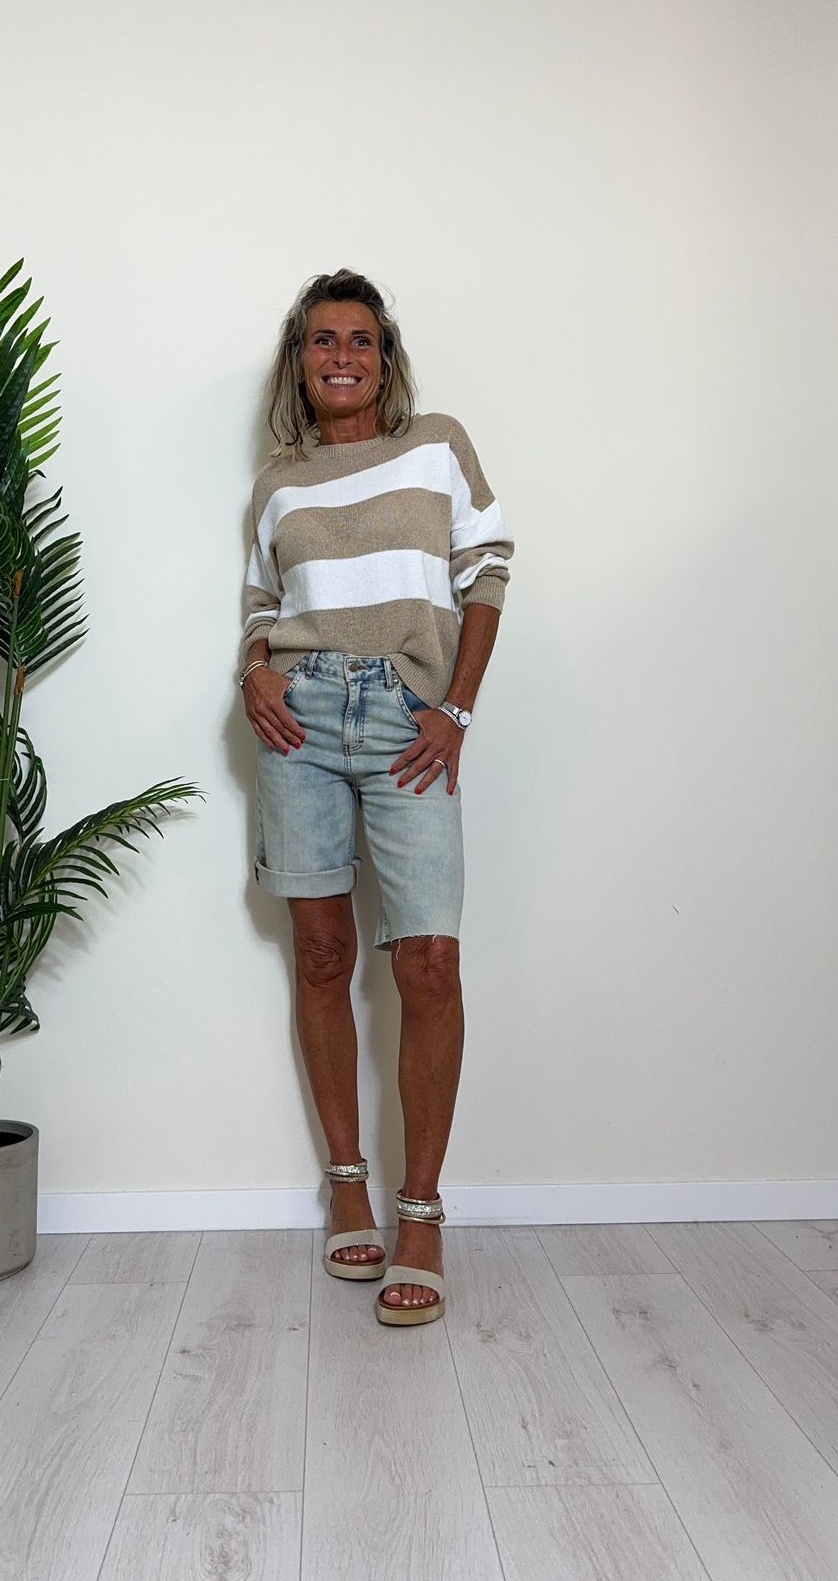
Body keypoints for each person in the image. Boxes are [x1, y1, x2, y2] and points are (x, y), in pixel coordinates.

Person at [238, 269, 514, 1327]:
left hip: (408, 716)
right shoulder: (278, 481)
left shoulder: (437, 444)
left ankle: (421, 1212)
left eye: (359, 339)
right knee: (321, 956)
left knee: (427, 960)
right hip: (297, 719)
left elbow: (485, 572)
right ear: (299, 361)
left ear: (384, 357)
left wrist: (456, 710)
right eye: (322, 340)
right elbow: (259, 602)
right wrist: (252, 671)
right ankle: (346, 1184)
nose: (341, 355)